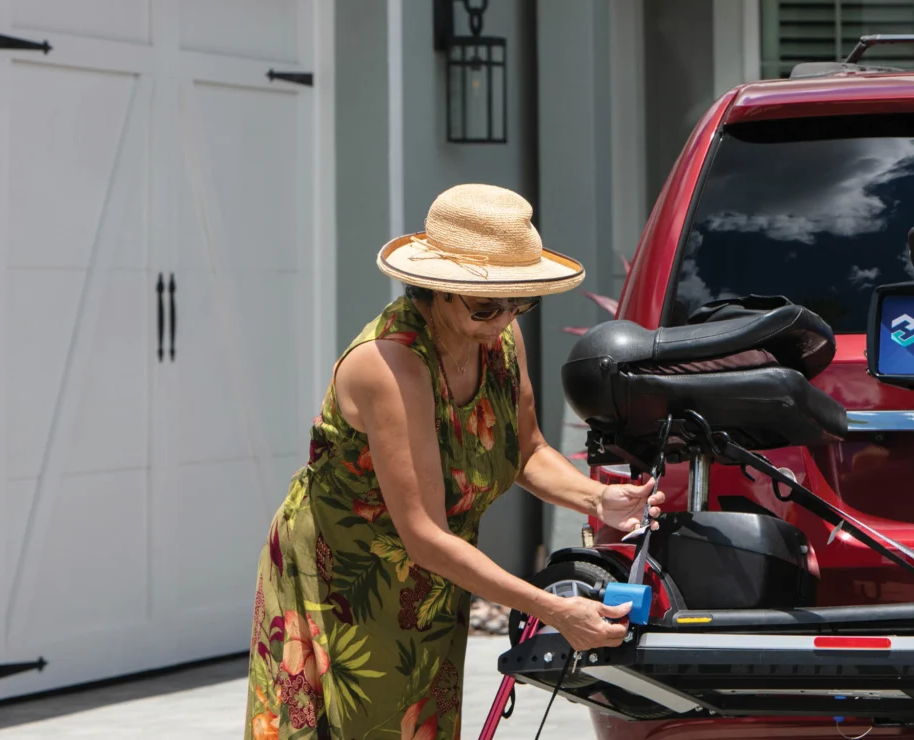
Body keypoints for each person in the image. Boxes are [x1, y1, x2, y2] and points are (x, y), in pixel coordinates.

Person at [243, 183, 663, 740]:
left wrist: (599, 498)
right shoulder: (390, 368)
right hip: (340, 578)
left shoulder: (498, 336)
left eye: (520, 300)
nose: (503, 318)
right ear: (436, 290)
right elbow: (422, 534)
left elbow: (527, 451)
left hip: (431, 582)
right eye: (486, 303)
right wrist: (554, 610)